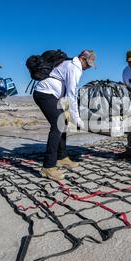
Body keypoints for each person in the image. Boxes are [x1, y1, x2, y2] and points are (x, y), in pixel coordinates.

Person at [34, 50, 96, 181]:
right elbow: (71, 95)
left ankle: (62, 157)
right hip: (44, 94)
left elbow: (67, 94)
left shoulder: (69, 63)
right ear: (82, 59)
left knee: (64, 123)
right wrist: (77, 119)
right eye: (88, 65)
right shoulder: (75, 68)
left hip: (54, 96)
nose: (88, 68)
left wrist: (69, 115)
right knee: (57, 125)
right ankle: (48, 167)